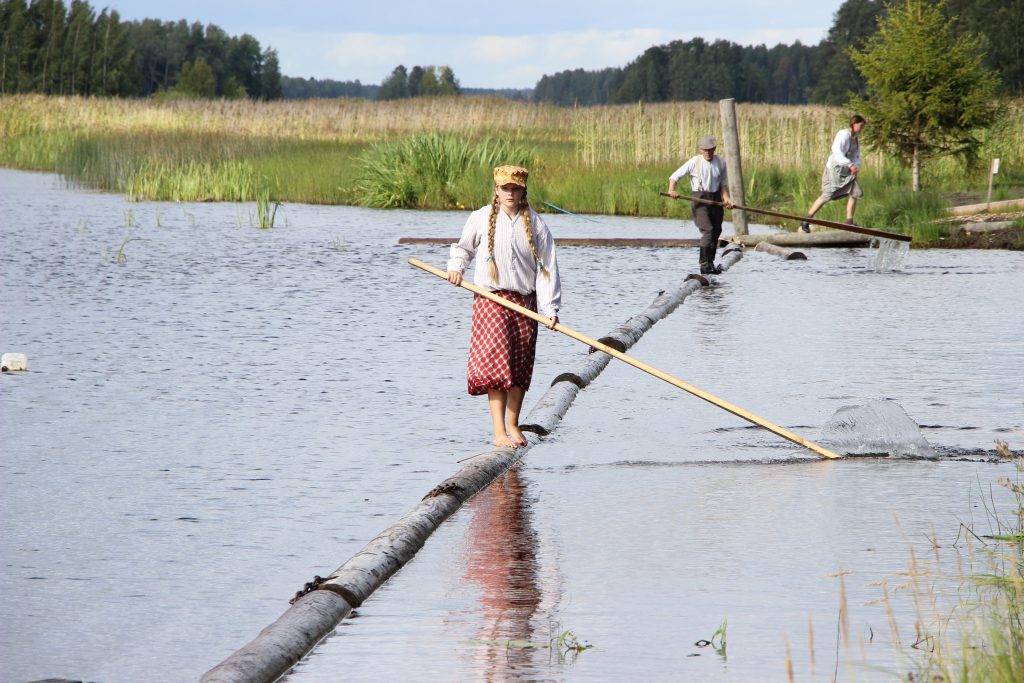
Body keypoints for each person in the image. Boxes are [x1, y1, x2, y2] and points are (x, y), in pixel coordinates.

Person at [447, 165, 561, 449]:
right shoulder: (480, 218)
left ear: (523, 192)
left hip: (525, 302)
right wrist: (456, 268)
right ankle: (499, 431)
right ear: (496, 191)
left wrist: (550, 309)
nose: (510, 193)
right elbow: (463, 249)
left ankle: (513, 424)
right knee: (496, 366)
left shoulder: (536, 224)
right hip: (491, 300)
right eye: (505, 188)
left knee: (520, 365)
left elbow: (547, 269)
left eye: (515, 189)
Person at [667, 135, 734, 275]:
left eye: (710, 150)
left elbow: (723, 184)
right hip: (700, 200)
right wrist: (672, 190)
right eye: (705, 150)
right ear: (700, 150)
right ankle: (704, 264)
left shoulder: (721, 162)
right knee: (708, 230)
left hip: (715, 199)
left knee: (716, 231)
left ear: (714, 149)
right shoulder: (694, 162)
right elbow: (674, 176)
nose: (707, 153)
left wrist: (726, 198)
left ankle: (710, 263)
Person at [801, 114, 866, 232]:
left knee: (855, 192)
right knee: (827, 195)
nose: (861, 128)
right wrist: (849, 164)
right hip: (834, 170)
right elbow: (837, 152)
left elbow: (856, 155)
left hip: (847, 171)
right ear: (854, 124)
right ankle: (806, 220)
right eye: (860, 125)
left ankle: (849, 222)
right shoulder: (843, 135)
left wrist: (855, 166)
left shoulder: (855, 137)